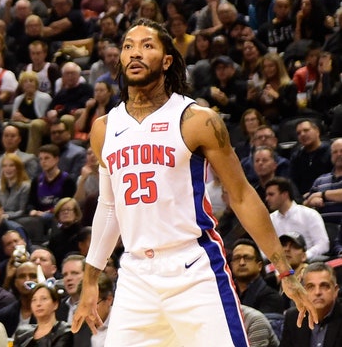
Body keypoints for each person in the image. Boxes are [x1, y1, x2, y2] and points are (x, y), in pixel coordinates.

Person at [72, 20, 316, 346]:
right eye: (129, 46)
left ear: (167, 60)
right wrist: (91, 279)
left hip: (193, 268)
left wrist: (284, 271)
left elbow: (242, 195)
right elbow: (108, 207)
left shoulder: (196, 119)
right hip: (134, 276)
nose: (135, 53)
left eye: (148, 46)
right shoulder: (104, 128)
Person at [281, 262, 342, 347]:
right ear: (303, 290)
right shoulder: (293, 317)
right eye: (311, 286)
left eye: (324, 286)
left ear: (335, 290)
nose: (317, 292)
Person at [13, 283, 73, 347]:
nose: (38, 304)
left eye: (44, 299)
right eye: (34, 300)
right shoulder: (22, 333)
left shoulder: (64, 331)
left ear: (55, 304)